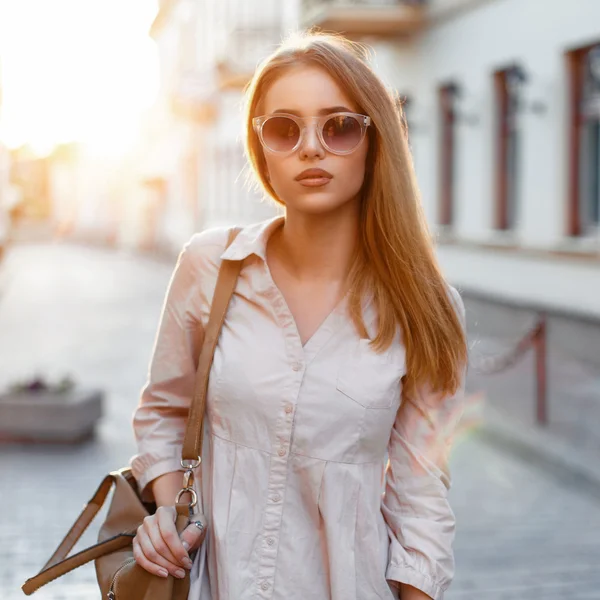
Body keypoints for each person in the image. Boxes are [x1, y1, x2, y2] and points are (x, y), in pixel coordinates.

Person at [130, 30, 468, 600]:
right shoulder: (208, 267)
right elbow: (164, 412)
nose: (310, 147)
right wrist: (169, 513)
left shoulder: (426, 307)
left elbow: (421, 496)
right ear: (261, 147)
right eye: (284, 129)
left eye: (338, 126)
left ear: (373, 139)